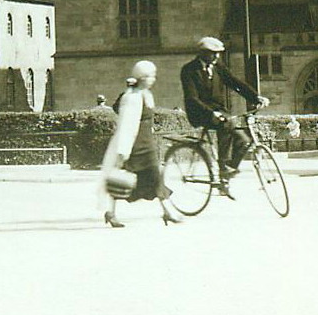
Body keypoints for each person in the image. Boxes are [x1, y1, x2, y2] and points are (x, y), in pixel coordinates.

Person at [180, 36, 268, 196]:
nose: (217, 57)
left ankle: (228, 171)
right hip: (200, 112)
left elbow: (234, 82)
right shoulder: (189, 70)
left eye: (219, 53)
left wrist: (256, 97)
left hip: (219, 110)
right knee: (226, 124)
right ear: (203, 53)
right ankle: (223, 168)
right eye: (213, 53)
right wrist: (210, 113)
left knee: (244, 140)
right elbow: (191, 99)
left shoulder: (217, 66)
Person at [99, 61, 181, 228]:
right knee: (122, 181)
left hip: (146, 143)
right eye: (151, 76)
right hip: (136, 146)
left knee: (154, 178)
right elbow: (127, 124)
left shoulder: (145, 94)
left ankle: (166, 212)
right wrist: (123, 150)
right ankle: (112, 213)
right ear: (143, 78)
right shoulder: (132, 96)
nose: (153, 79)